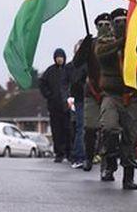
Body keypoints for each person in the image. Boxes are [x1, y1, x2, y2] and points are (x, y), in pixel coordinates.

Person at [94, 8, 137, 190]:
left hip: (132, 94)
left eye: (124, 21)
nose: (121, 24)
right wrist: (121, 44)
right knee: (109, 127)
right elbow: (101, 54)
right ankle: (109, 163)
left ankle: (128, 174)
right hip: (111, 94)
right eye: (117, 22)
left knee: (131, 136)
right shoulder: (105, 41)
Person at [73, 31, 102, 172]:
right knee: (88, 128)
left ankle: (107, 162)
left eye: (107, 24)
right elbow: (77, 64)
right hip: (89, 95)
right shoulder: (90, 47)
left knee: (109, 129)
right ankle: (88, 156)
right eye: (100, 24)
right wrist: (86, 45)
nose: (104, 27)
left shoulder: (117, 42)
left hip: (110, 92)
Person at [39, 49, 71, 163]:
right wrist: (49, 95)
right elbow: (42, 83)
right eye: (57, 57)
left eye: (61, 57)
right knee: (56, 131)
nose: (59, 59)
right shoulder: (50, 71)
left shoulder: (68, 70)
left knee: (68, 130)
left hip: (67, 106)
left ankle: (69, 152)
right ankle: (59, 153)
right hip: (54, 106)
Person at [68, 37, 90, 169]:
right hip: (81, 98)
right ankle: (78, 156)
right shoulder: (76, 64)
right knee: (81, 128)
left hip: (91, 97)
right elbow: (74, 82)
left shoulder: (90, 62)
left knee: (89, 128)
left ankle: (88, 154)